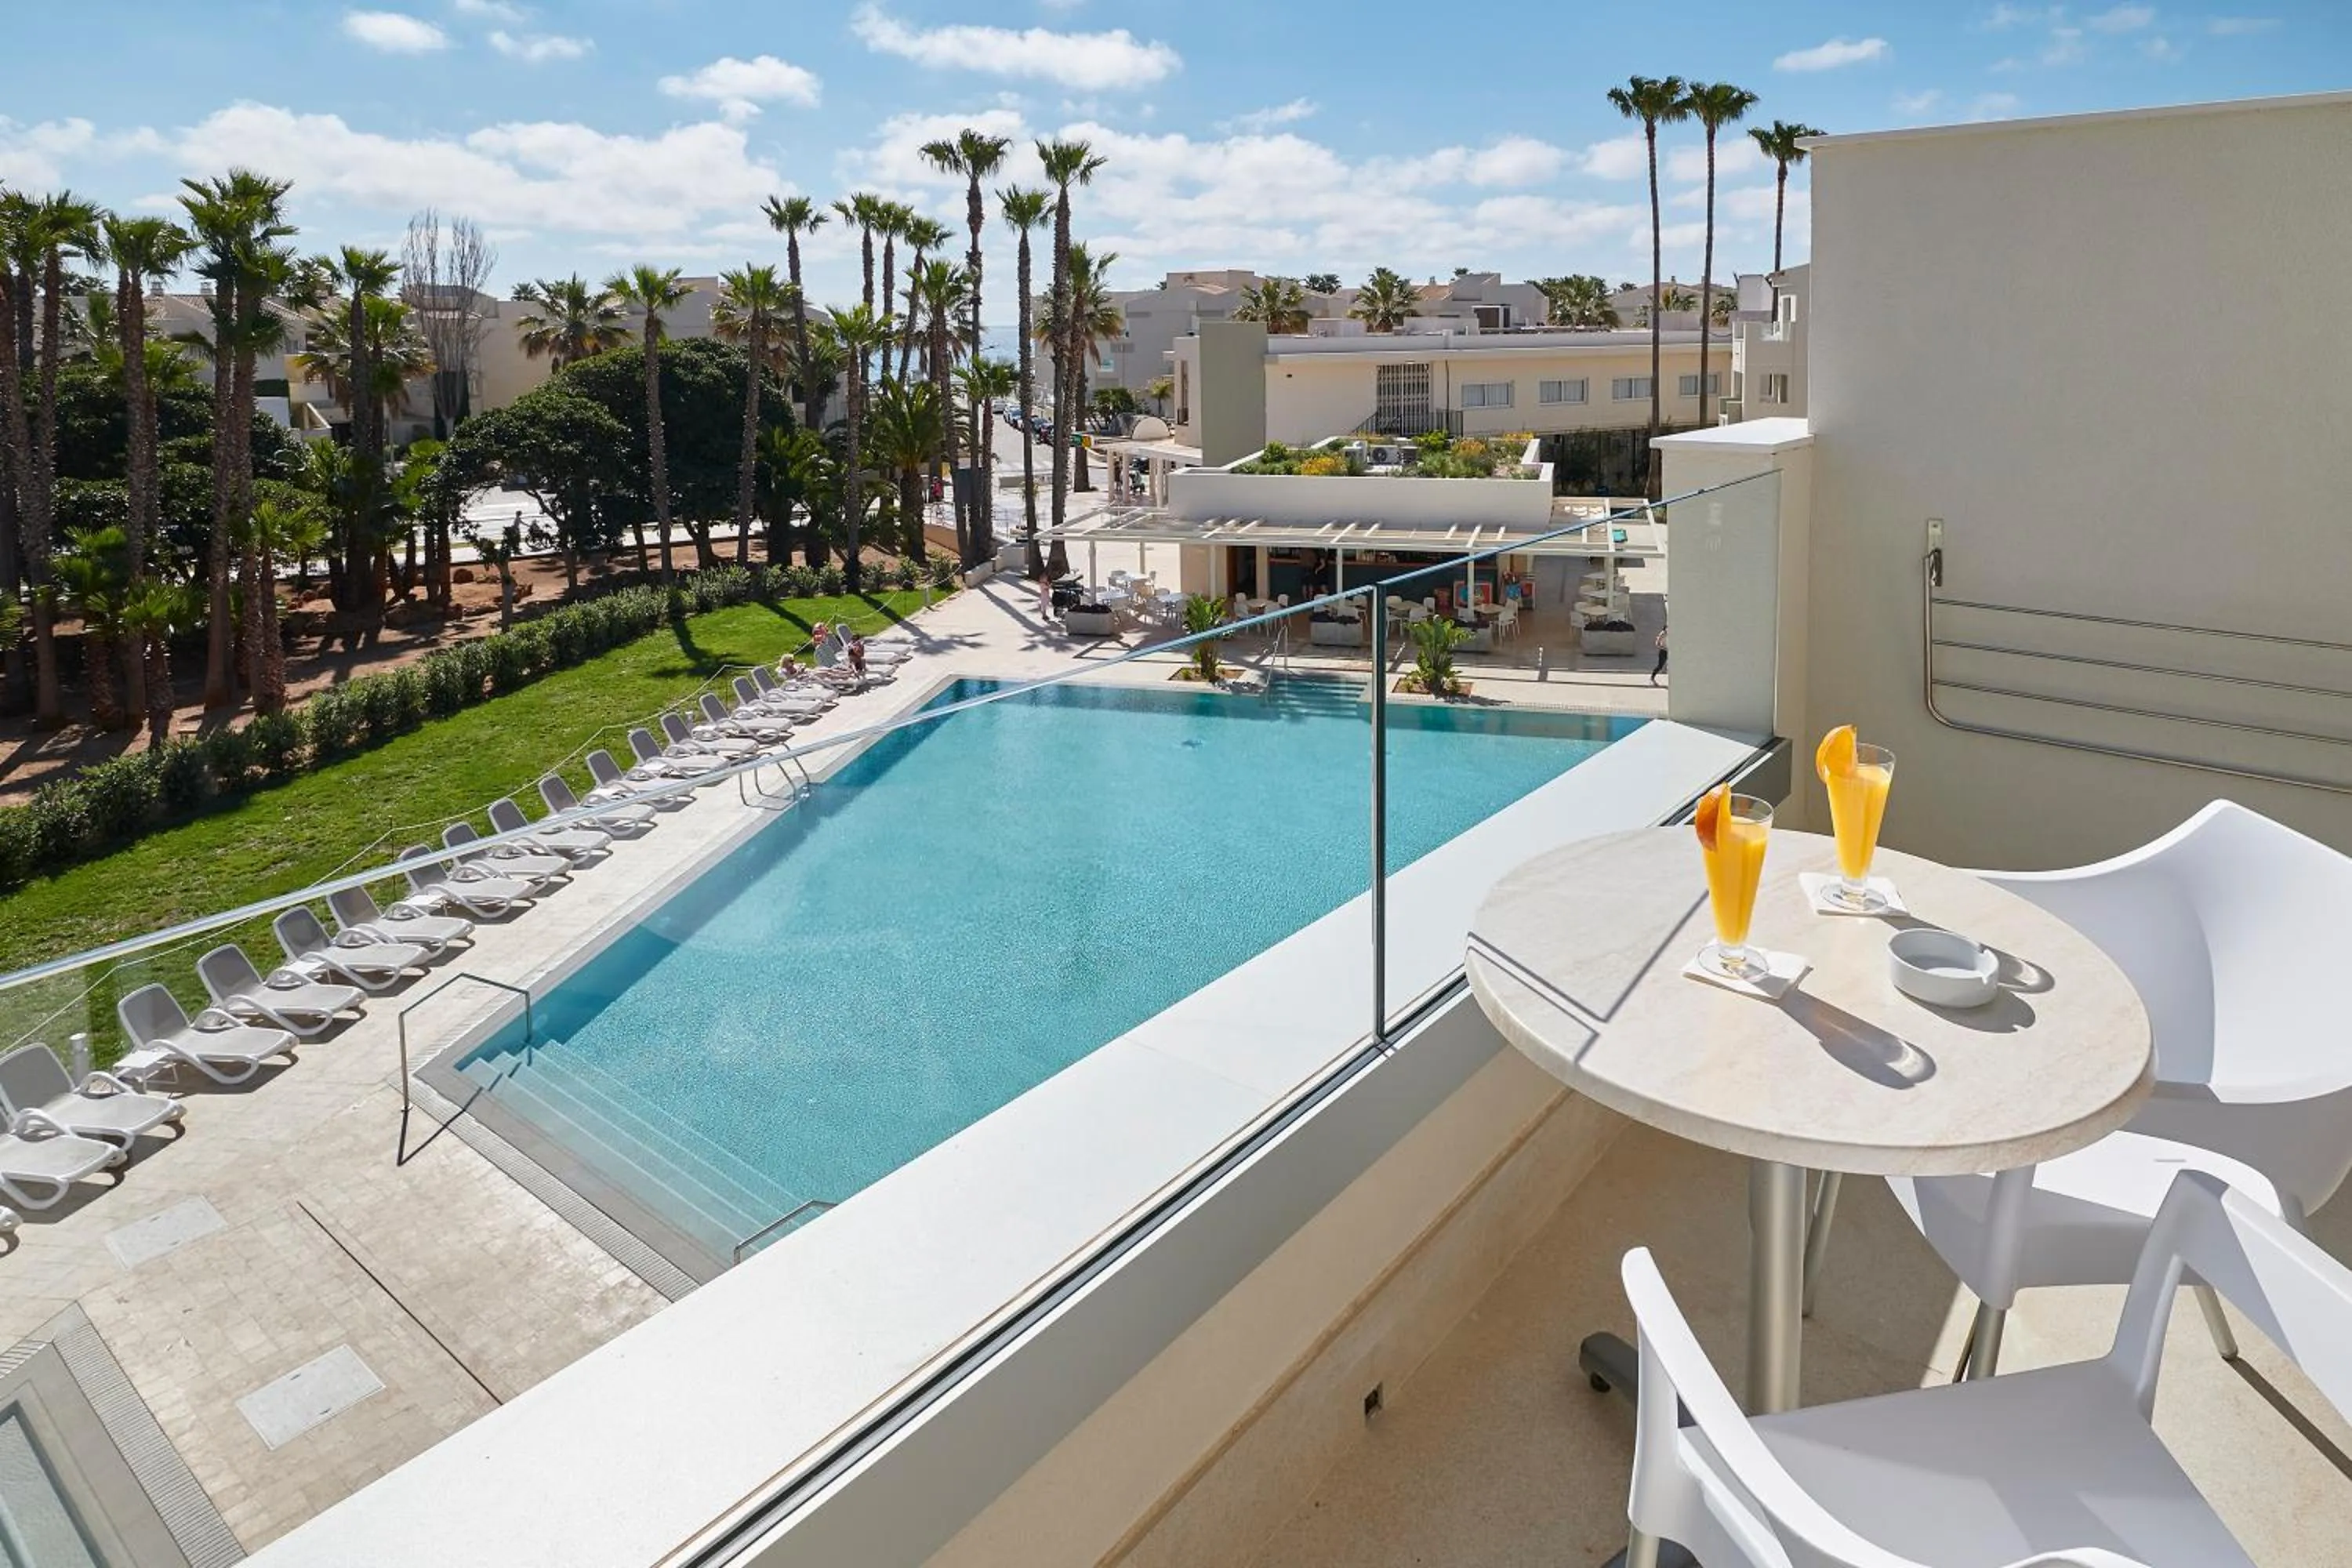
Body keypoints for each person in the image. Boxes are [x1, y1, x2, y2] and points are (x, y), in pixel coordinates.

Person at [1651, 622, 1669, 686]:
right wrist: (1664, 648)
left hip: (1670, 651)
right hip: (1663, 651)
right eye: (1668, 628)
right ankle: (1652, 678)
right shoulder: (1663, 634)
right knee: (1660, 666)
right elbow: (1657, 643)